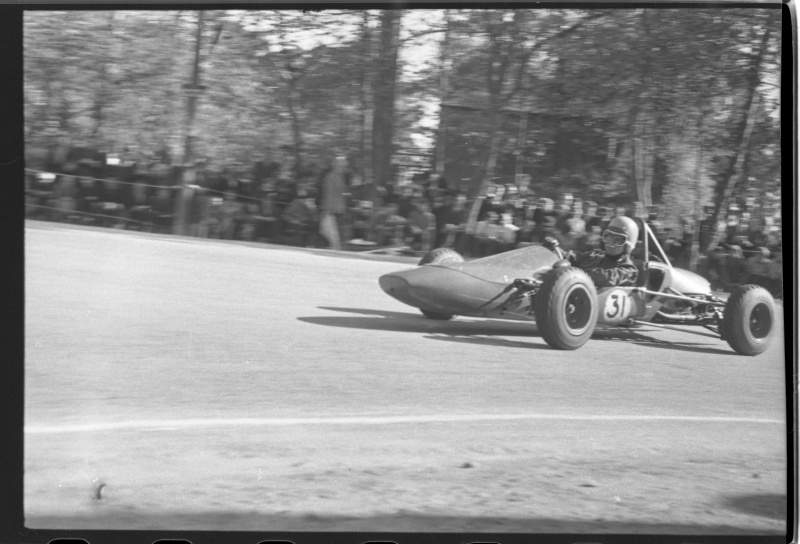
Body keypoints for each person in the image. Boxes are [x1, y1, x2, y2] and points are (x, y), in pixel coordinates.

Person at [542, 216, 640, 288]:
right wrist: (553, 249)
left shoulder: (628, 270)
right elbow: (568, 256)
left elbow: (606, 278)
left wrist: (573, 274)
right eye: (609, 238)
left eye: (618, 240)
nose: (611, 244)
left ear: (628, 245)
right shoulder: (594, 255)